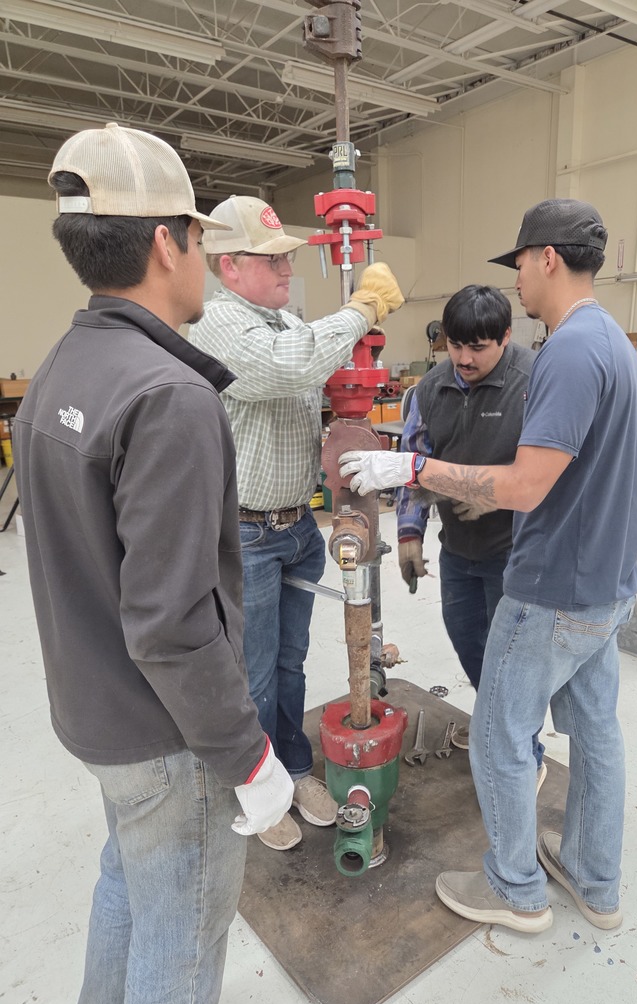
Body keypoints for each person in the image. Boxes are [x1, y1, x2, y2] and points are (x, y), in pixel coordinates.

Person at [13, 123, 295, 1004]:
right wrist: (249, 755)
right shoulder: (167, 394)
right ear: (168, 240)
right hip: (165, 738)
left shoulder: (64, 364)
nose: (206, 255)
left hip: (92, 713)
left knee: (127, 891)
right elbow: (174, 622)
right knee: (182, 937)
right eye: (202, 235)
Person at [339, 198, 637, 935]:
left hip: (553, 587)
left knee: (499, 735)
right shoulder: (614, 342)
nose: (519, 286)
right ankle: (594, 879)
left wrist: (409, 467)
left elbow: (522, 485)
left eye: (520, 269)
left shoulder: (568, 351)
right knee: (596, 731)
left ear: (545, 258)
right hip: (607, 582)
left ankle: (516, 889)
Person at [189, 195, 404, 851]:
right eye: (272, 259)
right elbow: (290, 367)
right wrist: (360, 308)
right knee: (252, 672)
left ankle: (295, 769)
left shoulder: (284, 324)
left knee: (290, 664)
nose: (288, 270)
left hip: (296, 530)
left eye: (289, 257)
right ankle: (257, 791)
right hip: (247, 532)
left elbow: (310, 362)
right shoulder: (221, 324)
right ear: (229, 266)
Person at [396, 284, 544, 777]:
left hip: (516, 556)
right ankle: (499, 729)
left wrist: (495, 495)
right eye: (454, 345)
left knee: (514, 667)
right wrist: (409, 533)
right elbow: (413, 462)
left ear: (504, 337)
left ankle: (526, 756)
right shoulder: (430, 388)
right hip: (457, 553)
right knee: (471, 646)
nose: (463, 358)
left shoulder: (533, 382)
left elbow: (555, 475)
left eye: (477, 347)